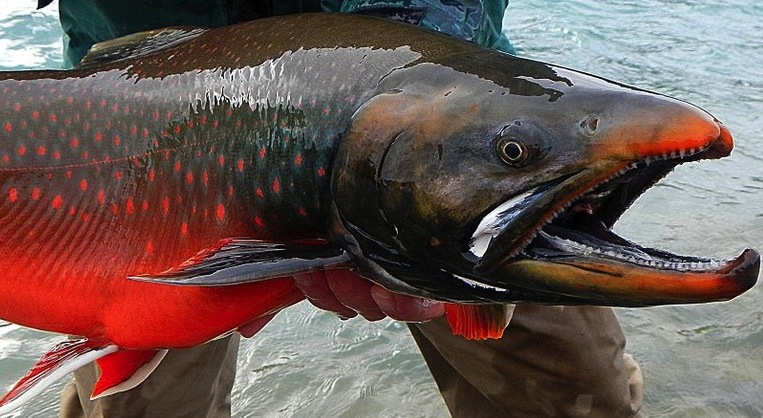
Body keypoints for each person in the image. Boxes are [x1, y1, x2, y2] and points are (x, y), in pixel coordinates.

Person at [35, 1, 643, 416]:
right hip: (133, 140)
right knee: (134, 408)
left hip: (447, 128)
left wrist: (394, 75)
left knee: (578, 399)